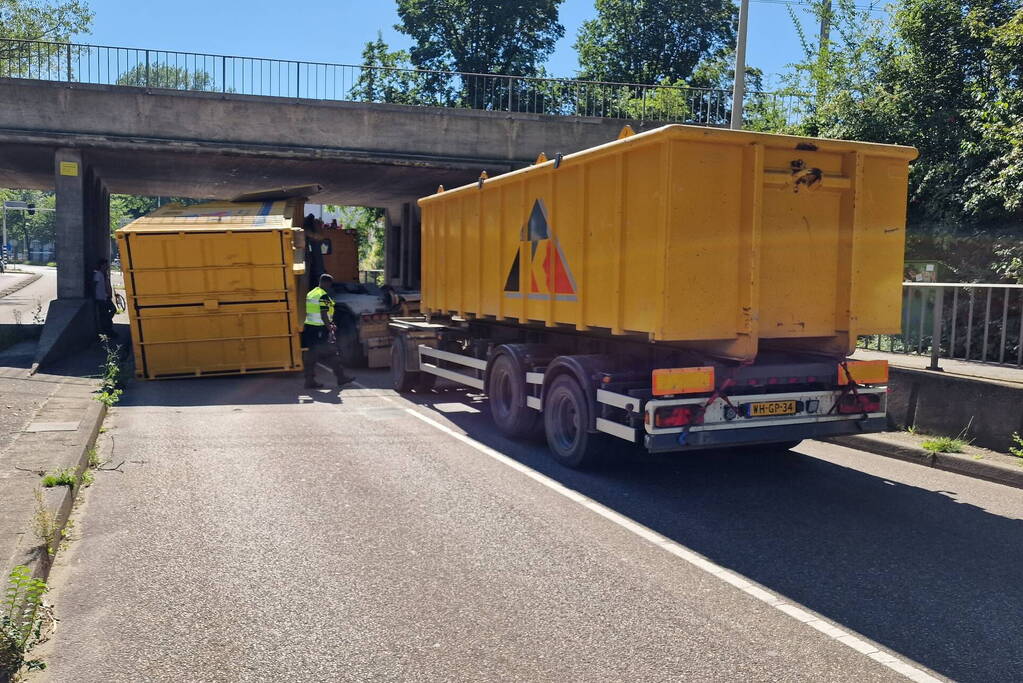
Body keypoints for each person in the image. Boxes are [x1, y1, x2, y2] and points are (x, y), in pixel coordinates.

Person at [303, 273, 354, 389]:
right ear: (326, 283)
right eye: (329, 284)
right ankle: (340, 377)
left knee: (312, 354)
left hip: (310, 328)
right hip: (320, 329)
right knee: (331, 353)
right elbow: (324, 314)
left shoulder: (311, 293)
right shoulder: (323, 296)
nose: (330, 287)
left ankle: (309, 380)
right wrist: (330, 327)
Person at [93, 258, 115, 337]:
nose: (107, 266)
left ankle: (107, 324)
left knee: (113, 310)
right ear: (102, 265)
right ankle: (106, 330)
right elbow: (94, 285)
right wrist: (95, 297)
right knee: (104, 315)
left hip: (106, 297)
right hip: (101, 298)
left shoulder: (104, 274)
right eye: (105, 265)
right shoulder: (98, 274)